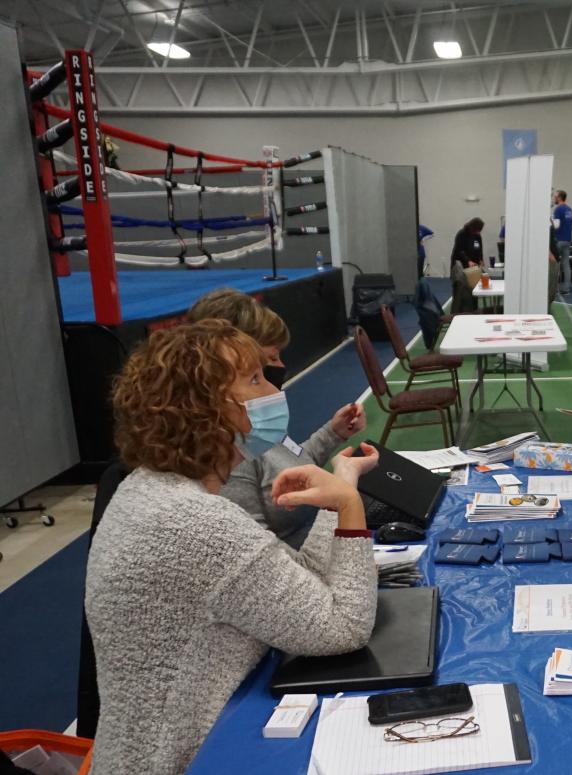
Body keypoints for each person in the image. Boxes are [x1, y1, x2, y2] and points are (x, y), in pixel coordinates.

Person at [85, 320, 379, 774]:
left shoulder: (153, 492)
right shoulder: (194, 523)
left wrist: (339, 487)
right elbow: (344, 628)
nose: (272, 389)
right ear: (206, 408)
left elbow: (302, 579)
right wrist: (350, 508)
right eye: (255, 379)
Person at [186, 288, 366, 549]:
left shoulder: (255, 424)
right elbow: (269, 563)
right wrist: (341, 495)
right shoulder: (224, 453)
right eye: (264, 366)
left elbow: (292, 466)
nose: (280, 369)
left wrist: (333, 433)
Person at [552, 190, 572, 293]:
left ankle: (552, 287)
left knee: (553, 264)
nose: (554, 198)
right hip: (568, 240)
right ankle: (566, 287)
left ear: (559, 197)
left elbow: (556, 226)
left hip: (558, 240)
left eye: (555, 196)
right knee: (566, 264)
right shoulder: (570, 210)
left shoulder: (558, 209)